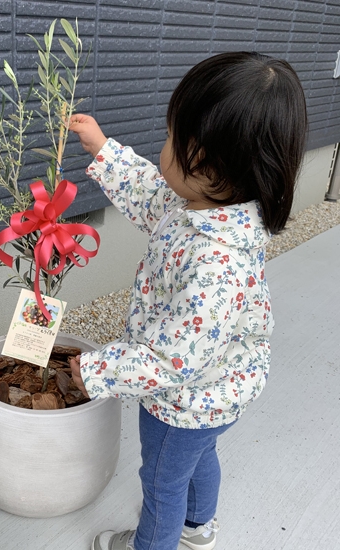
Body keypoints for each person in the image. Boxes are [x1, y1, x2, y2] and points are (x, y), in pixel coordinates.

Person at [68, 52, 307, 550]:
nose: (165, 146)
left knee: (161, 483)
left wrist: (98, 371)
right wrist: (104, 150)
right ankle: (199, 527)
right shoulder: (209, 206)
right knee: (200, 458)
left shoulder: (216, 261)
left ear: (208, 165)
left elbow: (170, 358)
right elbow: (150, 193)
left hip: (184, 402)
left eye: (173, 138)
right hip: (221, 391)